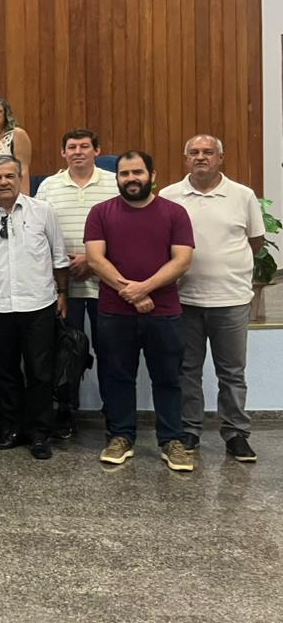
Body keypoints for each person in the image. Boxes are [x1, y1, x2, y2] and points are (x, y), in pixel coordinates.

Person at [86, 150, 196, 471]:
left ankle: (171, 440)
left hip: (164, 312)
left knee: (168, 378)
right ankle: (121, 436)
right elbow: (95, 259)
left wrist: (143, 288)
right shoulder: (101, 213)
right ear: (117, 178)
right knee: (118, 376)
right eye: (124, 173)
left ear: (152, 175)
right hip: (114, 313)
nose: (131, 179)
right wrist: (133, 294)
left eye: (137, 172)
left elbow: (182, 261)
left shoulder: (175, 213)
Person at [160, 136, 265, 463]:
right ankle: (189, 430)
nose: (201, 157)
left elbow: (255, 241)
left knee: (231, 372)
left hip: (231, 299)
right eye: (194, 152)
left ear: (221, 157)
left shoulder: (242, 195)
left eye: (208, 152)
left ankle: (236, 434)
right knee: (187, 369)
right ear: (185, 158)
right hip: (184, 299)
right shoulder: (169, 196)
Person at [0, 156, 68, 460]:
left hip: (39, 305)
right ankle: (12, 429)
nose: (3, 182)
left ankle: (40, 433)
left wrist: (63, 294)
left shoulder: (43, 211)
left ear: (20, 178)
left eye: (9, 176)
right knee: (5, 373)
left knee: (40, 374)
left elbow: (59, 257)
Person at [35, 128, 118, 438]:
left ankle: (114, 413)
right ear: (63, 153)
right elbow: (39, 231)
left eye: (85, 146)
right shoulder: (49, 187)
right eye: (72, 147)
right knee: (65, 353)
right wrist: (63, 267)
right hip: (64, 287)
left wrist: (90, 259)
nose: (78, 152)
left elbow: (124, 229)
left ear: (97, 150)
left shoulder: (114, 183)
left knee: (110, 352)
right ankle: (65, 411)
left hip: (105, 285)